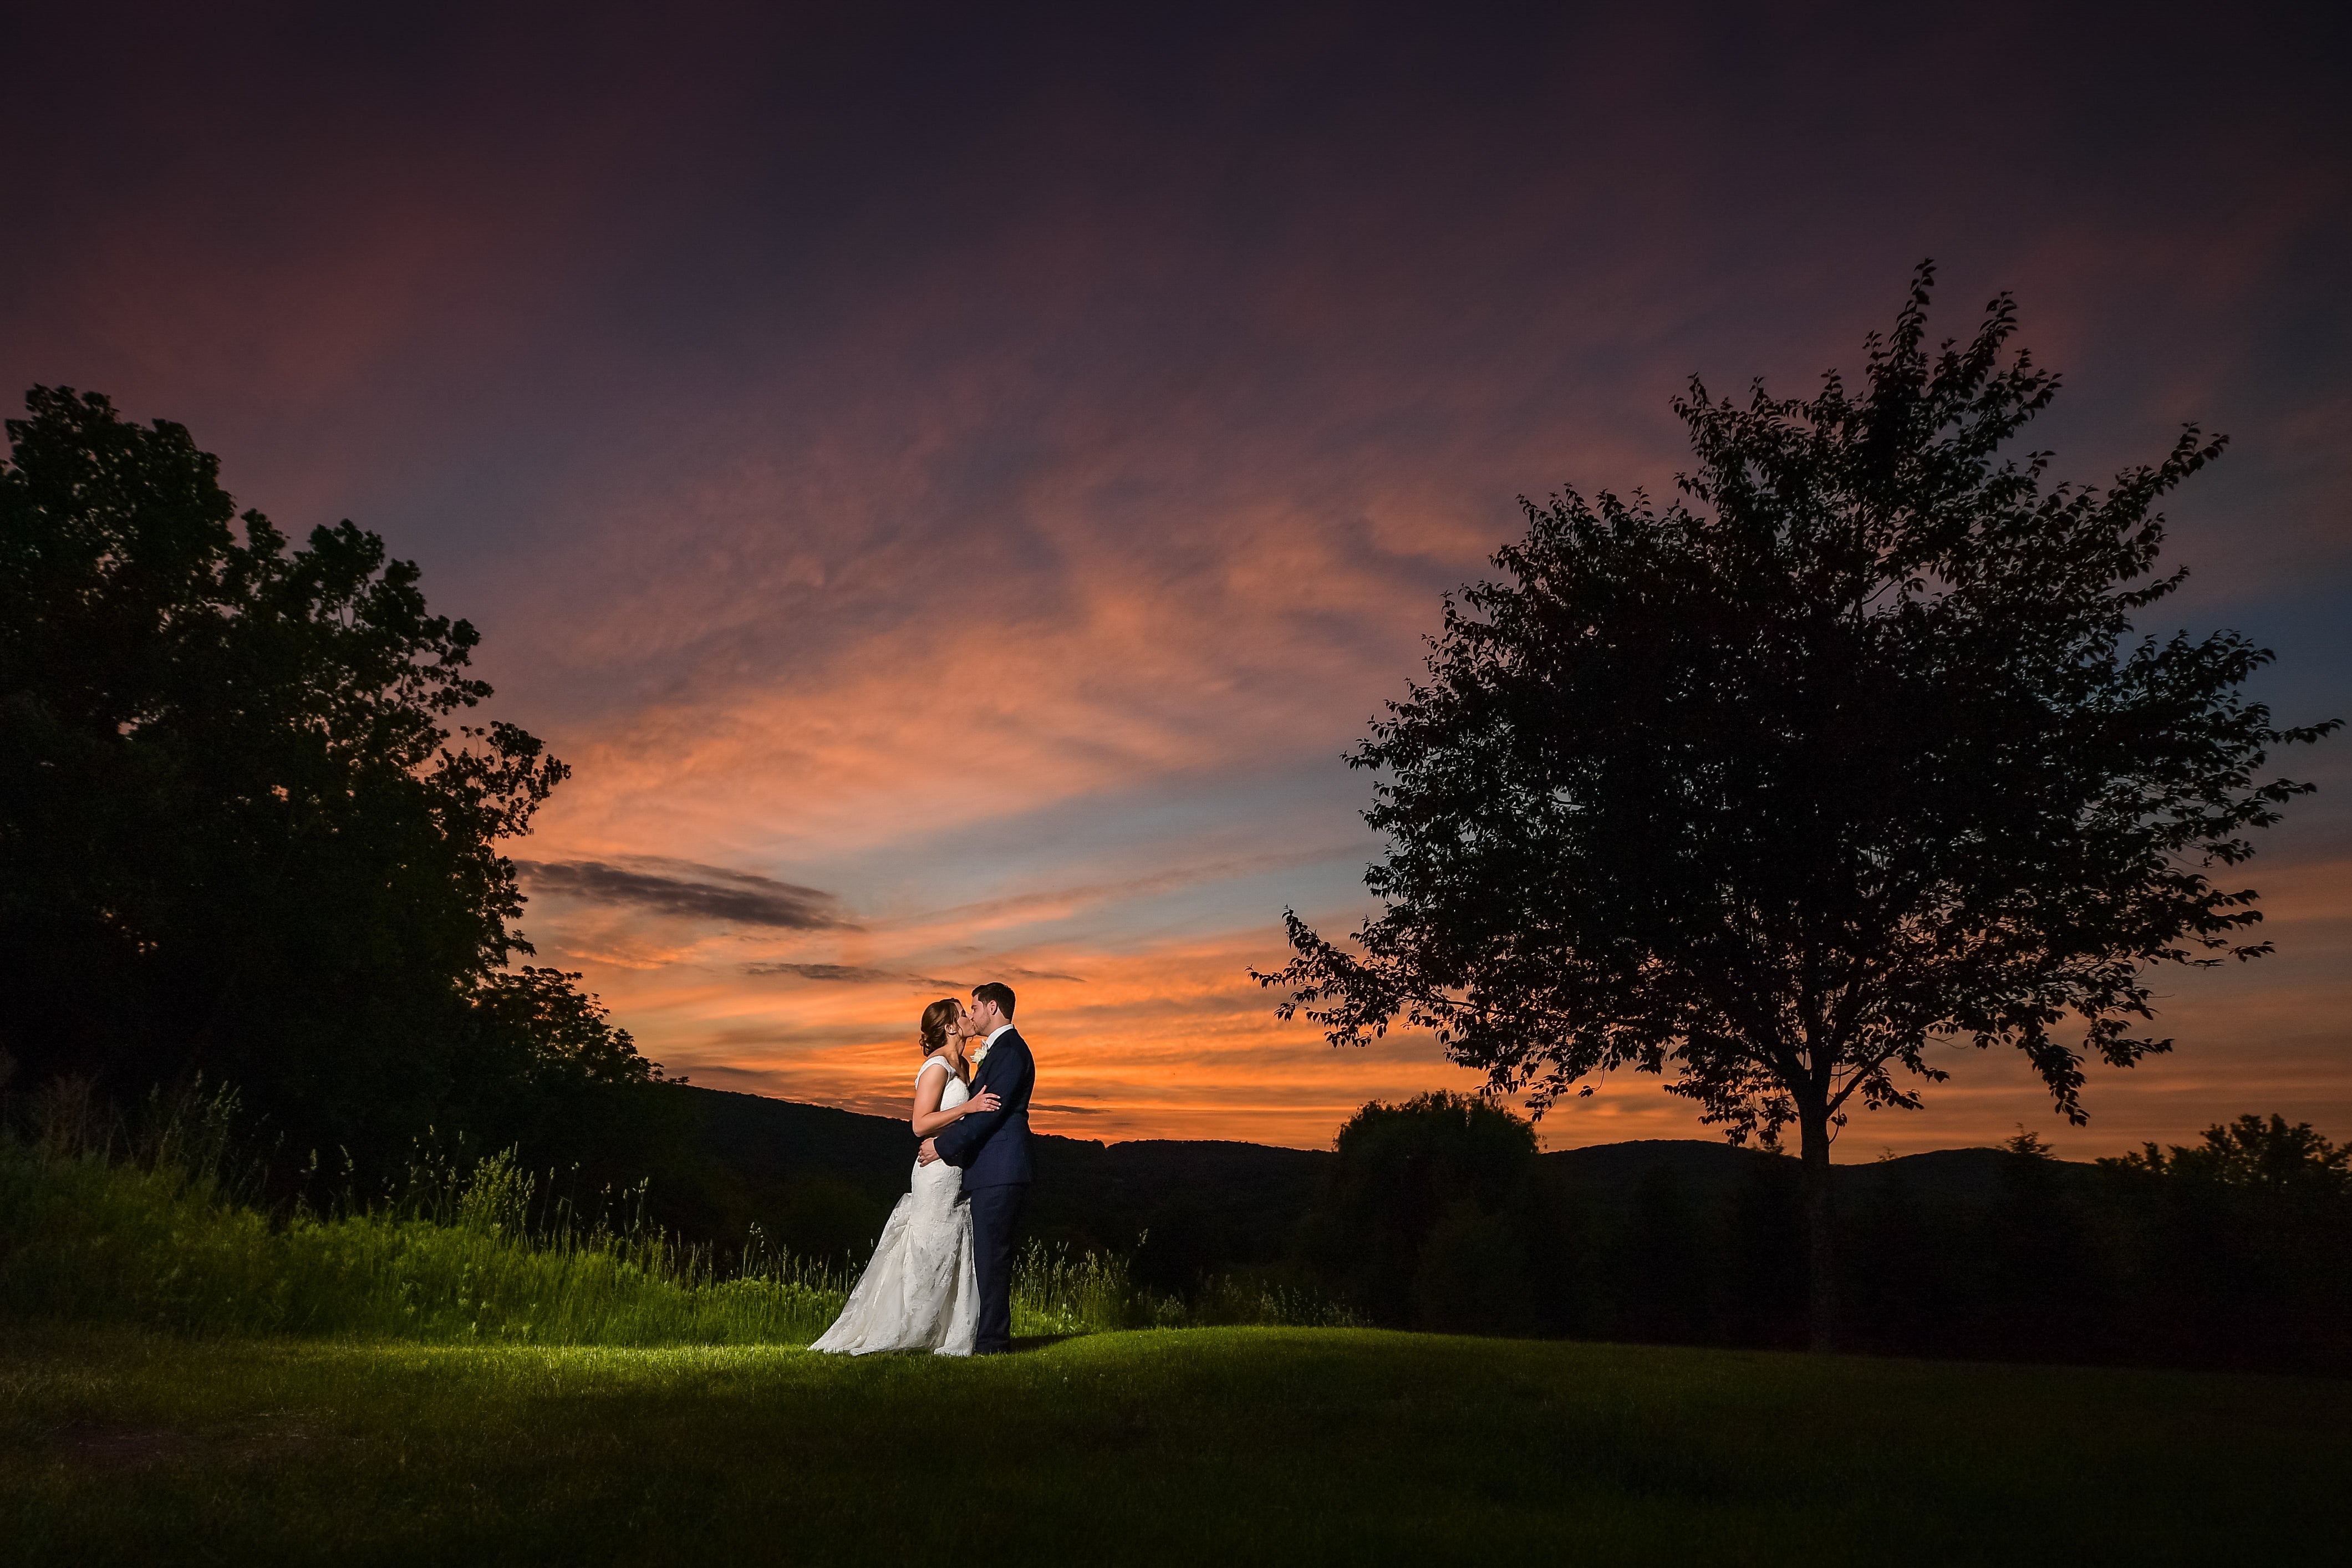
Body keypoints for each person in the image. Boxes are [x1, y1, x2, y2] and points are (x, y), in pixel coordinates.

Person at [810, 997, 1000, 1355]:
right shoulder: (937, 1067)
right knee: (929, 1246)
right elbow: (919, 1124)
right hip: (935, 1173)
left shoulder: (963, 1067)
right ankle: (907, 1327)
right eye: (962, 1013)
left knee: (951, 1245)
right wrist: (969, 1107)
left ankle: (945, 1333)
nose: (968, 1017)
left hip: (956, 1168)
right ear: (950, 1027)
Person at [918, 981, 1034, 1355]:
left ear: (993, 1007)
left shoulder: (1010, 1052)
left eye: (975, 1007)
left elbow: (989, 1113)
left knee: (991, 1259)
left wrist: (942, 1146)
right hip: (987, 1170)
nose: (971, 1015)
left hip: (1000, 1169)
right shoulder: (995, 1053)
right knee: (984, 1257)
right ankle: (980, 1337)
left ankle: (992, 1343)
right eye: (965, 1010)